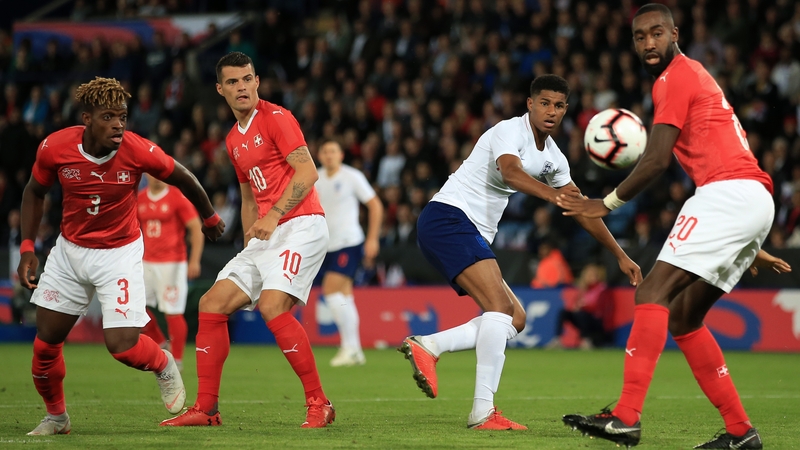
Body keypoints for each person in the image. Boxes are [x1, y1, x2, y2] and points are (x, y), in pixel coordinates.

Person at [558, 5, 791, 449]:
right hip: (752, 200)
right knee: (684, 318)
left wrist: (603, 204)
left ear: (675, 34)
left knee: (651, 293)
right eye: (640, 36)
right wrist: (749, 239)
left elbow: (658, 160)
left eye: (657, 33)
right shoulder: (690, 76)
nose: (648, 43)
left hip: (728, 195)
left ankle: (626, 416)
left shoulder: (675, 78)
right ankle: (742, 434)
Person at [398, 74, 643, 430]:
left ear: (565, 110)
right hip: (448, 218)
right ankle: (483, 412)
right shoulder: (508, 131)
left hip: (469, 231)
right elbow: (511, 173)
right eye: (544, 103)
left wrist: (619, 254)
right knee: (499, 308)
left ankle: (429, 346)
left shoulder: (555, 159)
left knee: (515, 318)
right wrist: (552, 195)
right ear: (530, 104)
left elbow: (580, 208)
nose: (551, 111)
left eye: (559, 105)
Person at [17, 77, 225, 436]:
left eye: (123, 117)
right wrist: (27, 247)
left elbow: (185, 177)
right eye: (108, 117)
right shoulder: (55, 147)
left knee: (123, 346)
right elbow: (35, 192)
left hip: (119, 253)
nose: (118, 124)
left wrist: (209, 217)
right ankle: (57, 418)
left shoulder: (138, 150)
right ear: (87, 118)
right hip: (70, 252)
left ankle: (163, 362)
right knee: (44, 346)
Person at [160, 52, 335, 429]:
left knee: (272, 306)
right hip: (265, 233)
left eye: (248, 79)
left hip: (301, 224)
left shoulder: (277, 118)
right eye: (234, 82)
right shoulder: (232, 139)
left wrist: (273, 216)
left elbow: (308, 172)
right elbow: (248, 197)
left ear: (257, 82)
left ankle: (319, 403)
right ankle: (206, 409)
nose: (242, 87)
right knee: (212, 303)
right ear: (220, 89)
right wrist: (248, 245)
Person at [315, 140, 383, 367]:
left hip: (349, 242)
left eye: (333, 151)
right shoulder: (315, 177)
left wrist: (372, 238)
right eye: (325, 151)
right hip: (326, 244)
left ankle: (348, 347)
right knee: (344, 296)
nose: (329, 155)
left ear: (341, 155)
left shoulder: (352, 176)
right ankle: (355, 350)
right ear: (320, 155)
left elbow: (375, 205)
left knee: (330, 289)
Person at [137, 173, 205, 372]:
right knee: (136, 308)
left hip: (172, 263)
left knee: (173, 312)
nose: (156, 178)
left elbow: (195, 227)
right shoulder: (139, 198)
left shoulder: (176, 197)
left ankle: (178, 359)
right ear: (146, 176)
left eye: (160, 173)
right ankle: (160, 343)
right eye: (152, 173)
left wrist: (194, 261)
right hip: (146, 262)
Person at [544, 262, 610, 350]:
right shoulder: (583, 289)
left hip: (595, 320)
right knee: (564, 312)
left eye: (594, 275)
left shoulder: (602, 289)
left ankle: (585, 341)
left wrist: (583, 307)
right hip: (582, 317)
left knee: (581, 314)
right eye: (589, 275)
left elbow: (599, 307)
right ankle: (557, 340)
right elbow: (577, 303)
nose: (591, 277)